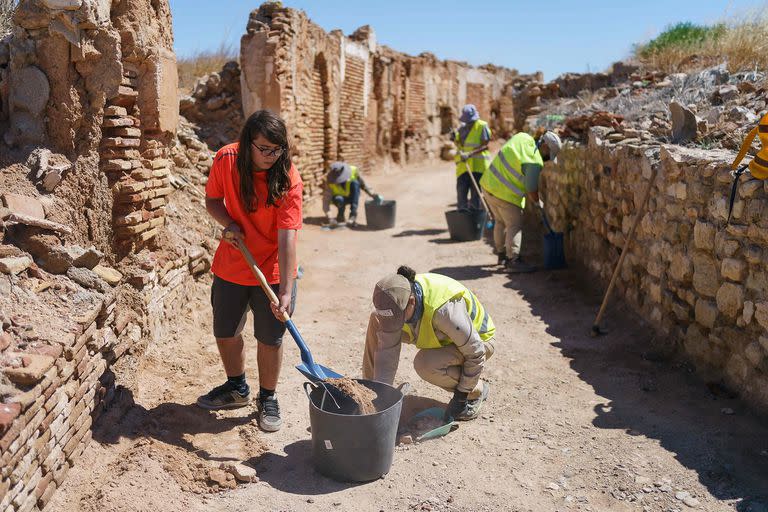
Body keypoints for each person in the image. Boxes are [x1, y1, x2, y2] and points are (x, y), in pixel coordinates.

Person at [198, 110, 303, 433]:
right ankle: (237, 387)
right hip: (232, 262)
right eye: (265, 149)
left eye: (278, 149)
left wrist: (285, 290)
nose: (272, 156)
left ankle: (267, 397)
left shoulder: (288, 179)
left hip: (272, 269)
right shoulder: (226, 159)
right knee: (226, 332)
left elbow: (288, 239)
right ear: (248, 144)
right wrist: (227, 223)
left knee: (270, 338)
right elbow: (212, 199)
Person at [362, 265, 496, 421]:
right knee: (377, 321)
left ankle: (476, 390)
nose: (394, 323)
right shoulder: (399, 297)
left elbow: (475, 352)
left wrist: (461, 395)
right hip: (442, 336)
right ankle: (369, 393)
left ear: (411, 302)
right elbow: (387, 350)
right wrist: (381, 396)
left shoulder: (444, 310)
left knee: (425, 364)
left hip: (479, 342)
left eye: (397, 318)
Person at [480, 130, 562, 273]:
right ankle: (513, 260)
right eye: (548, 155)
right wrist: (537, 202)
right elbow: (531, 188)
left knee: (499, 221)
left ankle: (501, 255)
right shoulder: (534, 161)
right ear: (545, 147)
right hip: (504, 194)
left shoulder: (522, 137)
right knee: (514, 225)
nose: (547, 159)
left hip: (488, 185)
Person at [453, 104, 492, 211]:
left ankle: (475, 220)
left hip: (478, 168)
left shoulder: (482, 126)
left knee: (476, 196)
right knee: (461, 194)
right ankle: (463, 220)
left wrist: (470, 154)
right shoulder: (462, 128)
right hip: (463, 167)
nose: (469, 123)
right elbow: (459, 144)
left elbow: (485, 145)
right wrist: (454, 138)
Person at [322, 161, 381, 227]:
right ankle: (340, 215)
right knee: (339, 199)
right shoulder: (330, 181)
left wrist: (372, 194)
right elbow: (325, 202)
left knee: (355, 183)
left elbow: (363, 185)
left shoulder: (353, 171)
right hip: (339, 199)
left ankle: (353, 215)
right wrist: (330, 218)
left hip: (352, 197)